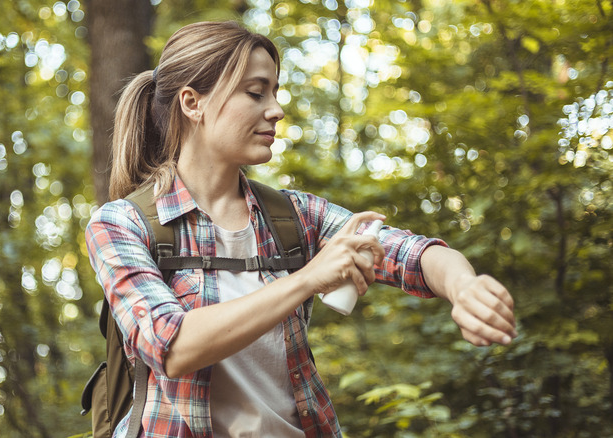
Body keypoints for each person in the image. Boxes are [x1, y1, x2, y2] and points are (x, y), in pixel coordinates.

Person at [85, 21, 517, 437]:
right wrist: (309, 278)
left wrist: (464, 287)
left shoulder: (292, 216)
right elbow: (171, 347)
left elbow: (414, 255)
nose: (276, 109)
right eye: (256, 93)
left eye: (274, 91)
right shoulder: (121, 225)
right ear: (192, 102)